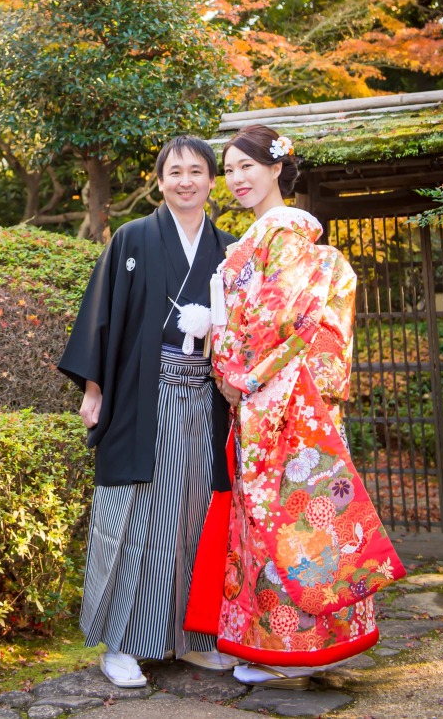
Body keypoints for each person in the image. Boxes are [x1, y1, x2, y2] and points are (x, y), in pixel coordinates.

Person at [184, 124, 405, 691]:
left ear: (277, 167)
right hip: (271, 396)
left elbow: (279, 316)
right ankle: (289, 643)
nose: (236, 179)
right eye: (229, 169)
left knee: (289, 520)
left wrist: (233, 369)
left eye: (246, 167)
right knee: (285, 520)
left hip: (280, 398)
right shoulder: (255, 238)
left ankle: (294, 646)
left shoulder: (285, 232)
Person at [58, 136, 238, 689]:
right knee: (135, 517)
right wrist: (94, 389)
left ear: (213, 181)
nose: (186, 181)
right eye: (175, 171)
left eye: (197, 171)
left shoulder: (232, 249)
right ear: (160, 181)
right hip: (145, 395)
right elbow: (102, 316)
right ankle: (121, 644)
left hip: (208, 401)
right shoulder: (134, 238)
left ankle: (194, 637)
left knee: (200, 513)